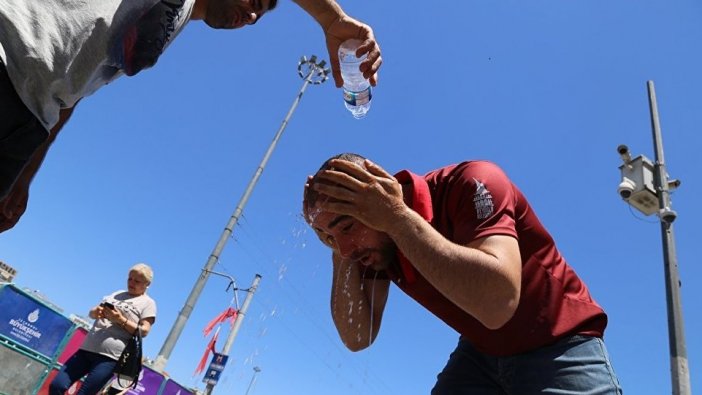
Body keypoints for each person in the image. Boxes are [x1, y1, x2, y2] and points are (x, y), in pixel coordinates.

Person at [0, 0, 382, 233]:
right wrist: (332, 20)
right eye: (255, 0)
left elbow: (75, 92)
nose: (251, 14)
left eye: (259, 16)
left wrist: (27, 171)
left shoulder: (171, 24)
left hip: (29, 122)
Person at [302, 153, 623, 394]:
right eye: (329, 237)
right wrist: (335, 243)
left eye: (347, 227)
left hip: (560, 343)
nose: (346, 249)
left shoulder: (471, 182)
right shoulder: (370, 246)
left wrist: (398, 220)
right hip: (483, 350)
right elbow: (357, 336)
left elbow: (498, 303)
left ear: (380, 193)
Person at [49, 263, 157, 395]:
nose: (131, 283)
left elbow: (144, 331)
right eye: (130, 279)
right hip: (87, 348)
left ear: (147, 284)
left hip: (110, 358)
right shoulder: (117, 294)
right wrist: (96, 311)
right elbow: (92, 313)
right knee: (57, 385)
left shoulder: (148, 303)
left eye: (137, 281)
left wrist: (120, 319)